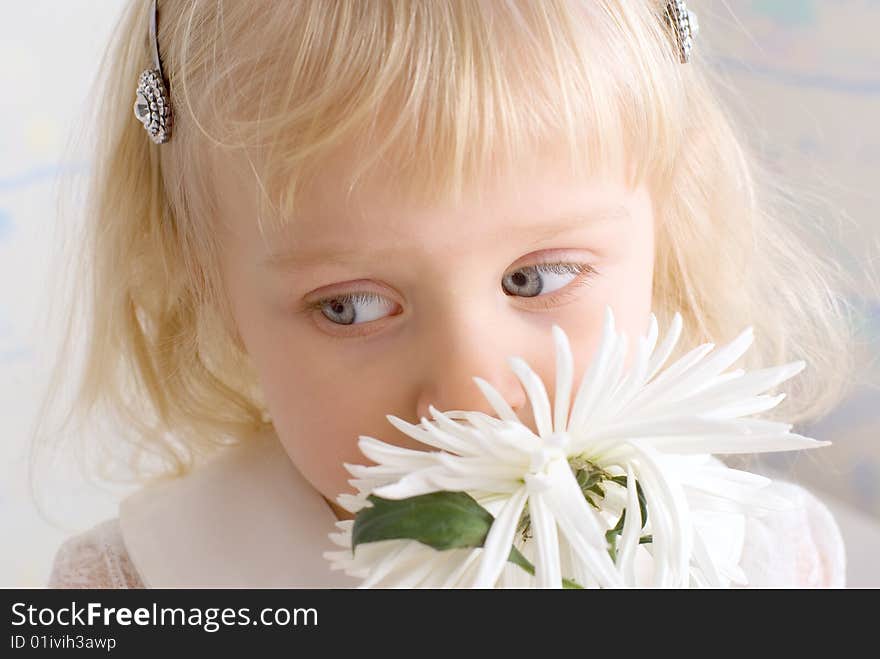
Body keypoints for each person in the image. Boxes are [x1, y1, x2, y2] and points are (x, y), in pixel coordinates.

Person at [38, 0, 856, 588]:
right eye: (351, 306)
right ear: (210, 288)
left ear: (667, 221)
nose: (472, 395)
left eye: (534, 279)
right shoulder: (132, 587)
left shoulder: (765, 557)